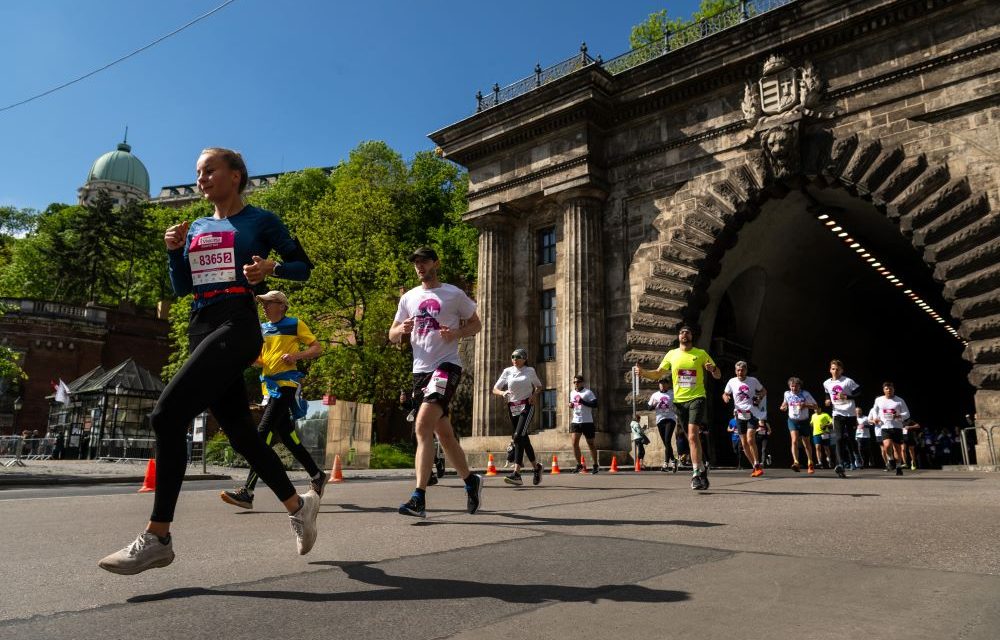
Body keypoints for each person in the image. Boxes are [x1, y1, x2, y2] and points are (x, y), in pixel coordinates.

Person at [99, 147, 320, 575]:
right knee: (241, 434)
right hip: (200, 325)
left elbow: (303, 268)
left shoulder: (261, 221)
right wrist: (173, 250)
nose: (201, 178)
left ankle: (158, 537)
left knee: (165, 415)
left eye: (209, 170)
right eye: (198, 173)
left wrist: (270, 269)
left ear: (235, 176)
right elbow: (182, 286)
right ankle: (299, 506)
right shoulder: (196, 226)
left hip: (236, 323)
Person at [390, 247, 483, 518]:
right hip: (420, 372)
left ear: (435, 264)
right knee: (444, 434)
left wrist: (456, 332)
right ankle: (470, 481)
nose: (419, 266)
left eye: (424, 261)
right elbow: (392, 334)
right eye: (416, 262)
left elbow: (476, 324)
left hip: (446, 367)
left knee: (422, 426)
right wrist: (401, 330)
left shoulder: (453, 294)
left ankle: (419, 497)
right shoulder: (408, 297)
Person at [220, 290, 326, 510]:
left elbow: (317, 348)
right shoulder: (264, 329)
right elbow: (262, 359)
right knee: (287, 436)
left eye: (268, 303)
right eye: (263, 304)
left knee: (261, 434)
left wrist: (296, 356)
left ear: (281, 305)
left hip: (285, 386)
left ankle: (247, 492)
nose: (265, 307)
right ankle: (317, 475)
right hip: (269, 388)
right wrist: (249, 360)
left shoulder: (295, 324)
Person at [636, 325, 721, 490]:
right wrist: (644, 373)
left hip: (697, 398)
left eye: (687, 332)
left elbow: (718, 375)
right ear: (678, 336)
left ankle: (696, 474)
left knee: (691, 435)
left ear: (691, 336)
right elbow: (659, 373)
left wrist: (713, 370)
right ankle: (702, 468)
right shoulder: (672, 354)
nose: (684, 334)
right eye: (682, 332)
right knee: (692, 437)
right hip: (679, 401)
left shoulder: (701, 354)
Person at [492, 347, 544, 487]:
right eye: (513, 356)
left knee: (518, 436)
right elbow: (495, 388)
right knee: (523, 438)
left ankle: (516, 474)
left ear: (524, 359)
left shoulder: (530, 371)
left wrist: (534, 395)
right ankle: (536, 467)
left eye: (518, 356)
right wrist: (502, 393)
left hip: (526, 406)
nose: (515, 359)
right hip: (512, 407)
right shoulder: (507, 371)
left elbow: (539, 386)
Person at [722, 361, 767, 477]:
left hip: (751, 412)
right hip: (739, 414)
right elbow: (725, 393)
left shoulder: (753, 381)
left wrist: (759, 397)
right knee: (744, 443)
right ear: (735, 371)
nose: (740, 372)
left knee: (750, 438)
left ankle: (757, 463)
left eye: (742, 370)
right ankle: (755, 466)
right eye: (738, 370)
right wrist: (726, 397)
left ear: (746, 370)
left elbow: (763, 390)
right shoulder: (732, 381)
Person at [822, 360, 861, 478]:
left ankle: (856, 455)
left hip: (849, 413)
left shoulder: (848, 381)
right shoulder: (826, 383)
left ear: (841, 370)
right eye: (833, 369)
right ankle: (840, 465)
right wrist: (827, 400)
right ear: (830, 370)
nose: (835, 371)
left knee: (850, 438)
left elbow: (859, 392)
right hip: (837, 413)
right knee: (838, 438)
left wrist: (846, 396)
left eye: (837, 369)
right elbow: (827, 394)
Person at [871, 381, 911, 476]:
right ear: (884, 390)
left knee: (897, 449)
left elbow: (907, 414)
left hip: (896, 427)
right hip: (885, 426)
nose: (889, 390)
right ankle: (890, 460)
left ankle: (898, 467)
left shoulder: (899, 400)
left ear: (894, 389)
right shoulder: (879, 400)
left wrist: (898, 415)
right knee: (887, 445)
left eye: (891, 389)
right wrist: (876, 418)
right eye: (887, 389)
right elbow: (875, 410)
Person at [779, 376, 817, 473]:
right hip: (792, 420)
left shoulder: (805, 394)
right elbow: (785, 403)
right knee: (794, 440)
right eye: (792, 386)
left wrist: (805, 405)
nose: (793, 388)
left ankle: (810, 462)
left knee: (806, 443)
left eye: (795, 386)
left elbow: (816, 406)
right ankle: (796, 462)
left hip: (804, 420)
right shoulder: (787, 394)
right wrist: (783, 406)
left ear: (799, 386)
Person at [568, 375, 600, 473]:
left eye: (577, 382)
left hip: (587, 421)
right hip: (576, 421)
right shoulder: (572, 393)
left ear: (582, 382)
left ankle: (595, 465)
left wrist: (583, 401)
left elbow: (595, 404)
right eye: (574, 382)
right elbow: (573, 403)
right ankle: (579, 465)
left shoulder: (588, 392)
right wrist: (571, 405)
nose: (576, 384)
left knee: (590, 444)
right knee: (574, 443)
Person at [647, 378, 679, 472]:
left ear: (668, 385)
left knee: (667, 440)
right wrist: (653, 405)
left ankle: (666, 463)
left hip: (670, 419)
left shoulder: (672, 393)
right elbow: (649, 407)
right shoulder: (655, 395)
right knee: (666, 442)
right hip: (660, 420)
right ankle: (673, 460)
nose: (662, 385)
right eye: (660, 384)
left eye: (664, 384)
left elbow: (679, 403)